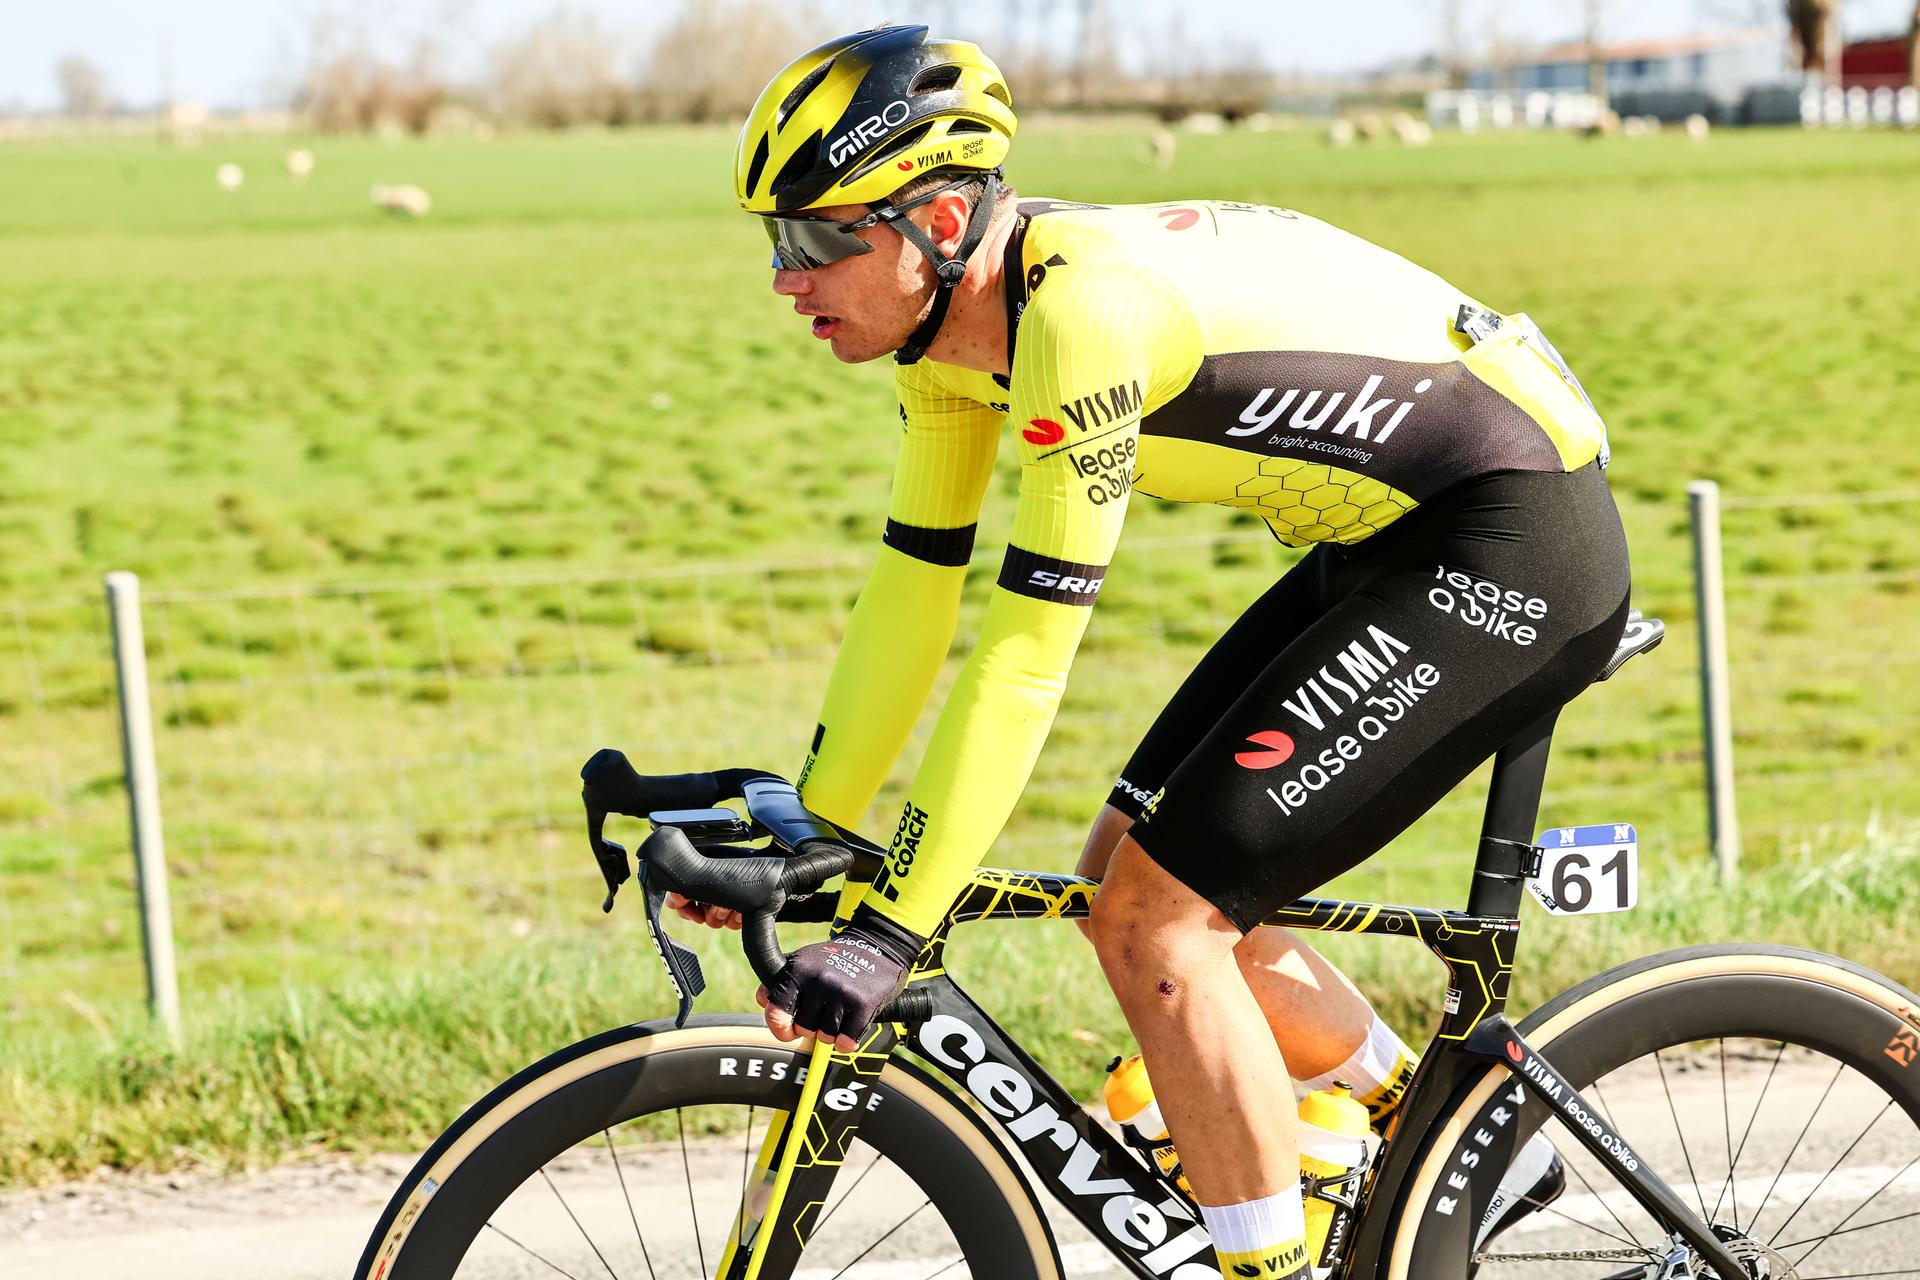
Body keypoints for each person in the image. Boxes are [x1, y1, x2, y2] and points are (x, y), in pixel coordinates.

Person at [676, 24, 1628, 1278]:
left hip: (1515, 535)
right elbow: (913, 596)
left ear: (944, 218)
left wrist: (891, 928)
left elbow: (1024, 650)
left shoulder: (1082, 315)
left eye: (819, 238)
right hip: (1397, 532)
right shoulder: (946, 348)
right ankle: (1463, 1138)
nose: (790, 277)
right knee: (1128, 871)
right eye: (775, 240)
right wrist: (814, 821)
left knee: (1158, 924)